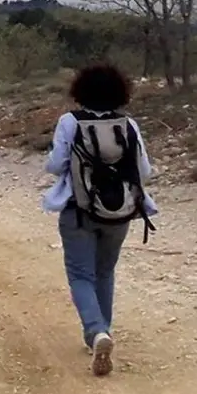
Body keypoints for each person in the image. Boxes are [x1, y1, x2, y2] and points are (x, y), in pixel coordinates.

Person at [41, 62, 158, 377]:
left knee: (81, 275)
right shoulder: (128, 125)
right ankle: (101, 330)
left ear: (81, 90)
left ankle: (96, 333)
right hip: (119, 211)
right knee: (105, 272)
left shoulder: (69, 122)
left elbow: (55, 165)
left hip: (77, 209)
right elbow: (144, 171)